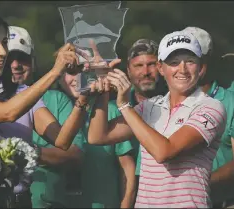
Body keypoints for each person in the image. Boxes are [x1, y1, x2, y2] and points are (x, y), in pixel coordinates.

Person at [0, 8, 92, 208]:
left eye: (4, 43)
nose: (3, 52)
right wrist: (56, 71)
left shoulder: (21, 91)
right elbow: (7, 113)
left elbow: (62, 140)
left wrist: (84, 95)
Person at [88, 30, 227, 208]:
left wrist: (124, 105)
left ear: (201, 68)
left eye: (190, 62)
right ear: (162, 69)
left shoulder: (211, 106)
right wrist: (104, 88)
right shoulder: (150, 106)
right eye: (174, 63)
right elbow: (97, 136)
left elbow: (164, 152)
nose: (182, 69)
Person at [5, 25, 85, 208]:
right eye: (10, 59)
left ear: (33, 62)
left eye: (22, 59)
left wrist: (32, 153)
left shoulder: (57, 99)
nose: (16, 65)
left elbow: (75, 154)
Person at [58, 58, 136, 208]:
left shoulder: (110, 110)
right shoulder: (49, 109)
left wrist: (126, 205)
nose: (78, 78)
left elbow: (127, 169)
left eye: (83, 71)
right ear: (60, 77)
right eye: (71, 71)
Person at [183, 26, 234, 208]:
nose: (187, 65)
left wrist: (195, 185)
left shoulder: (231, 102)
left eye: (196, 59)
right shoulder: (166, 102)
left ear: (207, 62)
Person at [126, 39, 168, 201]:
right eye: (138, 66)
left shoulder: (176, 103)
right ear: (128, 71)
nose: (145, 72)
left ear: (162, 68)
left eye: (151, 64)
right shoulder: (115, 106)